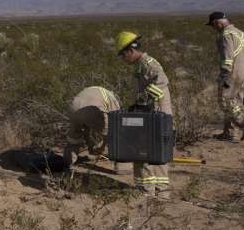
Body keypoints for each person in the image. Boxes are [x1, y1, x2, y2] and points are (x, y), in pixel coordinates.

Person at [115, 31, 171, 198]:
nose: (123, 60)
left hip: (154, 114)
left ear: (130, 51)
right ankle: (159, 191)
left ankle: (147, 191)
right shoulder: (141, 65)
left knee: (143, 151)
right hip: (152, 113)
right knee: (155, 152)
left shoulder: (149, 64)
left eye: (123, 56)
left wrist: (142, 102)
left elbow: (161, 83)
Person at [206, 11, 244, 142]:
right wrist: (243, 68)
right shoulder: (241, 33)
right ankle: (230, 133)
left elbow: (227, 58)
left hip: (231, 73)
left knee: (225, 103)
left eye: (213, 26)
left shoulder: (225, 35)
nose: (213, 29)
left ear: (217, 23)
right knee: (235, 103)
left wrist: (225, 76)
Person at [64, 86, 120, 165]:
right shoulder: (112, 98)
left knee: (74, 138)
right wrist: (103, 145)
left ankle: (68, 163)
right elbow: (114, 122)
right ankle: (115, 162)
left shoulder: (95, 89)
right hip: (91, 111)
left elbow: (87, 126)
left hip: (73, 109)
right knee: (112, 132)